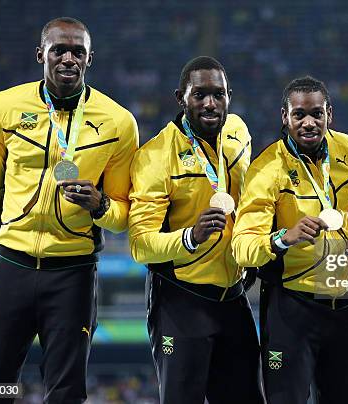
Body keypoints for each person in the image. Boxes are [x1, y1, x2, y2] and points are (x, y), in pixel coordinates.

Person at [0, 17, 139, 403]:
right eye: (59, 50)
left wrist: (99, 205)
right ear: (40, 55)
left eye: (77, 52)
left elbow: (123, 215)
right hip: (11, 268)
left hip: (73, 275)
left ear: (90, 58)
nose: (68, 59)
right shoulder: (2, 108)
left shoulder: (118, 122)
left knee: (66, 395)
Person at [128, 56, 263, 404]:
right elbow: (141, 246)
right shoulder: (155, 157)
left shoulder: (239, 133)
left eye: (218, 94)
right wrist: (191, 236)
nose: (209, 103)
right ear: (180, 97)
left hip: (233, 298)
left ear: (229, 96)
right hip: (180, 301)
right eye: (199, 94)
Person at [232, 76, 348, 404]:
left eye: (317, 114)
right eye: (299, 115)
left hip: (342, 306)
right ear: (285, 117)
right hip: (292, 308)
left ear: (329, 115)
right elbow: (242, 247)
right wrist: (285, 237)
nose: (309, 122)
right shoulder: (266, 169)